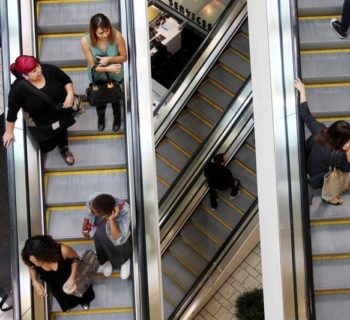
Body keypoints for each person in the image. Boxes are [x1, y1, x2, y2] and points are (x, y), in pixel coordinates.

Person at [2, 55, 75, 165]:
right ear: (25, 76)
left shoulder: (49, 70)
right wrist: (9, 132)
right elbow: (12, 112)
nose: (40, 70)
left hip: (60, 114)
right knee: (48, 146)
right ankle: (55, 145)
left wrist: (70, 94)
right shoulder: (17, 89)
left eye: (38, 66)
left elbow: (65, 79)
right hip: (41, 124)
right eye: (34, 71)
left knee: (62, 133)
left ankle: (64, 148)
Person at [294, 78, 350, 205]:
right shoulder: (339, 155)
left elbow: (305, 115)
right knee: (341, 173)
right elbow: (347, 168)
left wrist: (302, 90)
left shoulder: (320, 130)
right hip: (316, 178)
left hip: (304, 161)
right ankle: (329, 196)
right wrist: (348, 151)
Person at [21, 235, 95, 312]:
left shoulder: (63, 250)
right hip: (55, 285)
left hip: (71, 277)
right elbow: (31, 267)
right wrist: (34, 282)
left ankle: (85, 302)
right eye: (33, 262)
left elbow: (75, 258)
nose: (36, 264)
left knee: (82, 291)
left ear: (44, 254)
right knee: (62, 298)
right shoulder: (33, 262)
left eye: (37, 261)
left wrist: (73, 276)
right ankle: (68, 306)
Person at [81, 13, 127, 132]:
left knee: (115, 98)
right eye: (101, 33)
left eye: (107, 30)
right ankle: (101, 118)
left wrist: (109, 60)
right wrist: (108, 68)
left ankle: (117, 118)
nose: (105, 35)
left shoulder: (117, 36)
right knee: (100, 99)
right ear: (93, 32)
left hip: (115, 75)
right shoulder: (85, 41)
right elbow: (94, 66)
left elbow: (124, 57)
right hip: (98, 76)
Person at [82, 193, 131, 280]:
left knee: (114, 240)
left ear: (105, 214)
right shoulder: (93, 199)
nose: (92, 212)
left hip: (117, 231)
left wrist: (111, 220)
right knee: (98, 235)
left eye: (95, 213)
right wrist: (84, 227)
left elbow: (119, 238)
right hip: (100, 227)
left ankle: (125, 259)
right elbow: (88, 211)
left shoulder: (125, 213)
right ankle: (104, 259)